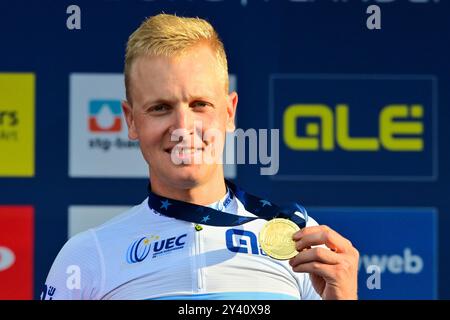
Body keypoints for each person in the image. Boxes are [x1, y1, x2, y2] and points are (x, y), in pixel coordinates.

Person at [41, 13, 359, 300]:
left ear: (230, 111)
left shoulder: (298, 239)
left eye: (199, 105)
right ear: (131, 120)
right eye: (160, 108)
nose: (183, 127)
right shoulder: (86, 256)